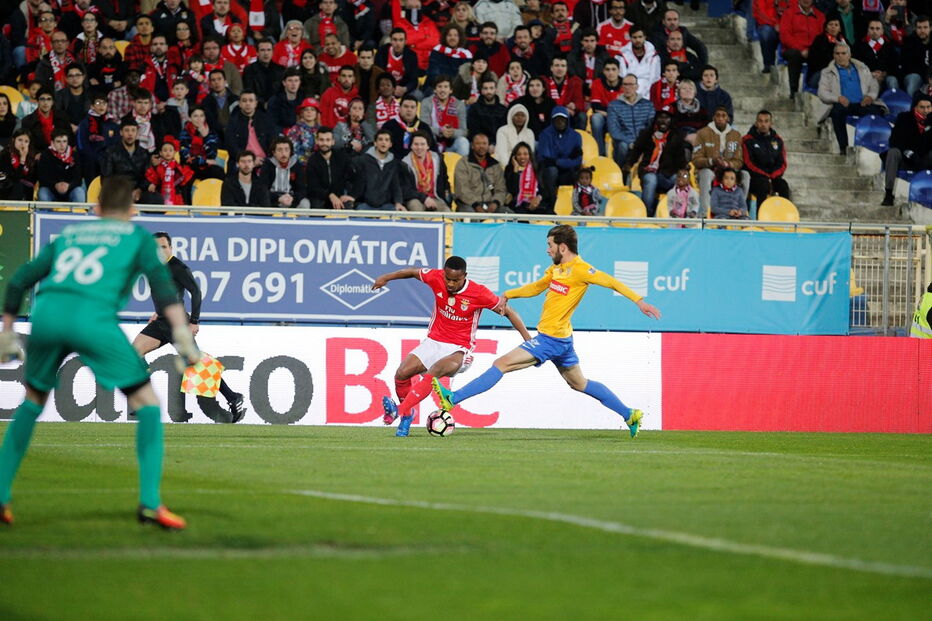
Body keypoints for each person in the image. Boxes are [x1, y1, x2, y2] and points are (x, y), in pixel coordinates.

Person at [0, 176, 199, 530]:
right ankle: (150, 504)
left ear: (96, 208)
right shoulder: (137, 237)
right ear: (133, 210)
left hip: (46, 316)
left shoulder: (70, 235)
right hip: (92, 319)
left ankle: (1, 497)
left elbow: (19, 280)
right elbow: (162, 286)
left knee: (32, 400)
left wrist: (8, 329)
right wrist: (181, 331)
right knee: (148, 403)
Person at [431, 224, 661, 437]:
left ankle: (453, 399)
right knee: (579, 384)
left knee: (500, 364)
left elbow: (611, 281)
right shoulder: (556, 270)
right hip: (562, 339)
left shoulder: (581, 270)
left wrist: (639, 301)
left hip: (551, 339)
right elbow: (536, 287)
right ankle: (630, 414)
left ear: (562, 246)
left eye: (550, 245)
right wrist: (509, 294)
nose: (547, 250)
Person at [376, 256, 532, 436]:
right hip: (434, 342)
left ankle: (399, 410)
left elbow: (509, 312)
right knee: (402, 374)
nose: (450, 284)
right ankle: (407, 416)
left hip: (459, 349)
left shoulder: (479, 293)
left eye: (455, 280)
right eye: (447, 279)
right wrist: (386, 277)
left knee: (434, 371)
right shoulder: (436, 277)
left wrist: (529, 340)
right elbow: (411, 272)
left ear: (465, 276)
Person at [131, 231, 246, 423]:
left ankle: (233, 397)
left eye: (164, 247)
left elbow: (196, 292)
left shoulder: (178, 267)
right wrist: (157, 311)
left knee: (198, 364)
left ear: (171, 248)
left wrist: (195, 321)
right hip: (160, 323)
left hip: (178, 324)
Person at [817, 42, 886, 153]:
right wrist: (838, 98)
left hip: (861, 104)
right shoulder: (827, 72)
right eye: (837, 53)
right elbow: (822, 93)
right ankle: (844, 148)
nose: (840, 56)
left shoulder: (862, 68)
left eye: (843, 53)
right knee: (837, 112)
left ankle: (873, 148)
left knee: (877, 111)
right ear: (833, 55)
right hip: (843, 105)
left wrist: (870, 96)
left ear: (849, 55)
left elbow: (873, 85)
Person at [623, 109, 687, 216]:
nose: (663, 121)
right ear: (655, 120)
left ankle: (677, 214)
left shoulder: (676, 137)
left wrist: (684, 169)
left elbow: (680, 158)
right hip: (648, 171)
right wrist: (629, 164)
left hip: (666, 174)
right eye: (660, 117)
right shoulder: (647, 134)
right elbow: (636, 150)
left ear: (671, 121)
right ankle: (647, 215)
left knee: (679, 182)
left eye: (666, 118)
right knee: (651, 179)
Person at [692, 106, 750, 216]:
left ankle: (741, 211)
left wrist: (728, 164)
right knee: (706, 174)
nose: (720, 118)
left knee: (745, 175)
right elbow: (696, 159)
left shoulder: (736, 135)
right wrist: (711, 161)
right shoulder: (702, 133)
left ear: (728, 118)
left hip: (729, 172)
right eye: (718, 115)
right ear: (713, 117)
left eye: (723, 116)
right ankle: (703, 214)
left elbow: (739, 161)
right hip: (711, 170)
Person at [882, 95, 932, 206]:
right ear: (915, 108)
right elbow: (894, 141)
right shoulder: (904, 118)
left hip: (924, 159)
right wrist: (909, 153)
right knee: (893, 152)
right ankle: (889, 194)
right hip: (906, 158)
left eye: (928, 107)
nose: (926, 111)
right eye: (922, 107)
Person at [536, 106, 583, 213]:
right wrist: (567, 158)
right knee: (551, 171)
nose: (560, 122)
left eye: (563, 119)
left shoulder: (576, 136)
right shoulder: (545, 135)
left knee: (576, 173)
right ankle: (552, 205)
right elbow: (544, 157)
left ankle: (576, 207)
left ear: (567, 120)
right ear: (552, 120)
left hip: (568, 172)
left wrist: (556, 161)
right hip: (549, 172)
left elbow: (577, 160)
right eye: (557, 119)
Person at [742, 109, 791, 206]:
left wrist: (773, 176)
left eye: (766, 121)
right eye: (760, 121)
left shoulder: (778, 140)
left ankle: (784, 217)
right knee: (763, 185)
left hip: (773, 177)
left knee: (783, 185)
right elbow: (748, 163)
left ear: (771, 123)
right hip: (755, 178)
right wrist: (764, 175)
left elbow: (782, 163)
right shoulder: (748, 140)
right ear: (756, 123)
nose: (763, 124)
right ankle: (761, 217)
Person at [780, 0, 825, 99]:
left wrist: (811, 50)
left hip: (813, 50)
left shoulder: (820, 16)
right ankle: (794, 91)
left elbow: (822, 38)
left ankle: (813, 88)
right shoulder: (789, 13)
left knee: (823, 55)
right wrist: (801, 49)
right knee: (795, 55)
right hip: (792, 49)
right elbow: (785, 36)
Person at [351, 129, 406, 211]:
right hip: (365, 205)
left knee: (397, 215)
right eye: (380, 139)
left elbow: (395, 185)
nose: (383, 142)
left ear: (390, 144)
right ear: (375, 143)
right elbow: (355, 182)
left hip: (386, 206)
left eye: (386, 140)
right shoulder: (362, 160)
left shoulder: (393, 163)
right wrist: (352, 197)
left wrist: (398, 202)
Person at [454, 132, 509, 213]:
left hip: (491, 204)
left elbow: (501, 189)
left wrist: (495, 203)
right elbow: (462, 189)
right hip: (469, 204)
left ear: (488, 146)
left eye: (484, 143)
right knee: (471, 217)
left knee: (509, 215)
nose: (481, 146)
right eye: (478, 143)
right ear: (472, 146)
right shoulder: (463, 163)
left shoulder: (495, 165)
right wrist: (476, 205)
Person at [305, 126, 355, 209]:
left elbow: (354, 178)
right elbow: (312, 187)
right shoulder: (312, 161)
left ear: (333, 142)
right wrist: (330, 195)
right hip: (320, 198)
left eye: (328, 140)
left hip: (340, 196)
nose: (324, 143)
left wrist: (352, 196)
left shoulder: (342, 157)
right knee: (316, 204)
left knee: (347, 204)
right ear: (316, 141)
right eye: (321, 140)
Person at [401, 131, 452, 211]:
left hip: (435, 198)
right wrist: (424, 198)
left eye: (422, 144)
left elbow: (445, 181)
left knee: (447, 212)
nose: (419, 147)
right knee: (416, 207)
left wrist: (448, 200)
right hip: (415, 199)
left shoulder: (438, 159)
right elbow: (406, 190)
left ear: (428, 146)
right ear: (411, 146)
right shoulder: (404, 163)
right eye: (416, 144)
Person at [419, 75, 469, 156]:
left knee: (463, 142)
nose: (442, 90)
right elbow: (423, 127)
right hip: (433, 143)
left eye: (446, 87)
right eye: (439, 87)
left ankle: (462, 168)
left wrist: (452, 132)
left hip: (451, 144)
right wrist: (440, 131)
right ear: (435, 89)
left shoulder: (459, 105)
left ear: (451, 90)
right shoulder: (426, 103)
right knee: (427, 138)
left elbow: (464, 131)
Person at [76, 92, 119, 185]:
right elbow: (81, 145)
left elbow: (116, 143)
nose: (101, 106)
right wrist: (94, 156)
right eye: (98, 103)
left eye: (104, 103)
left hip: (107, 161)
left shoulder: (112, 123)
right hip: (90, 162)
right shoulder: (85, 123)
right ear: (92, 106)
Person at [225, 90, 274, 163]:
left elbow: (273, 142)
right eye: (244, 101)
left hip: (265, 160)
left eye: (251, 100)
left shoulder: (265, 119)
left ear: (256, 103)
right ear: (240, 104)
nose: (248, 103)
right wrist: (250, 159)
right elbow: (232, 147)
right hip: (244, 161)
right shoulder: (233, 122)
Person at [382, 95, 437, 160]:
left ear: (416, 109)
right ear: (399, 108)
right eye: (406, 106)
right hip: (394, 164)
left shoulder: (424, 127)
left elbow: (433, 150)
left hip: (419, 165)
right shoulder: (389, 126)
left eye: (412, 107)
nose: (409, 110)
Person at [37, 130, 85, 204]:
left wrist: (69, 185)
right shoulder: (45, 155)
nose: (62, 145)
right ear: (52, 143)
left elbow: (78, 179)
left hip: (70, 190)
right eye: (58, 142)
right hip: (51, 190)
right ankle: (47, 215)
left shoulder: (74, 155)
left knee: (80, 192)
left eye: (64, 141)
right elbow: (42, 178)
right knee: (42, 193)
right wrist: (55, 185)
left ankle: (76, 215)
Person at [179, 106, 225, 181]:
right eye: (195, 116)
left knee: (219, 172)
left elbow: (212, 155)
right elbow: (186, 157)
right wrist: (205, 161)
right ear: (190, 118)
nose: (199, 119)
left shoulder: (211, 133)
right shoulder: (184, 134)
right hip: (191, 166)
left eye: (201, 116)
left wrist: (206, 137)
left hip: (207, 166)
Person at [261, 136, 308, 209]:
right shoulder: (267, 165)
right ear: (274, 152)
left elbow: (302, 189)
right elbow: (262, 188)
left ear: (290, 151)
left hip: (291, 198)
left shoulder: (296, 165)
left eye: (286, 150)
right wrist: (278, 198)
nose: (284, 153)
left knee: (305, 203)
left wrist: (293, 198)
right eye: (280, 150)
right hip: (272, 198)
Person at [145, 137, 194, 206]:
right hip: (161, 196)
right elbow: (155, 178)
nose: (168, 152)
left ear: (174, 152)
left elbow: (183, 183)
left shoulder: (178, 167)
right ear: (160, 153)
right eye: (165, 150)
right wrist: (153, 184)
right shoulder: (158, 167)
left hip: (176, 196)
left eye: (170, 150)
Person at [618, 27, 660, 100]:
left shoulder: (653, 53)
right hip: (629, 91)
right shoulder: (622, 54)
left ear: (645, 37)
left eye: (640, 37)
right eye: (634, 37)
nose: (638, 40)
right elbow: (622, 76)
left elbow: (655, 77)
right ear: (630, 38)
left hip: (649, 92)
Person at [467, 77, 508, 149]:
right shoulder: (474, 108)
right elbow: (474, 131)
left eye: (491, 88)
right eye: (485, 88)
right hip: (480, 144)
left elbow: (504, 131)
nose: (489, 91)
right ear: (481, 91)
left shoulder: (503, 109)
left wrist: (495, 145)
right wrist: (486, 144)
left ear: (495, 89)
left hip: (499, 145)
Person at [504, 141, 543, 213]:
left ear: (530, 155)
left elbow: (544, 190)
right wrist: (515, 169)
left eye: (525, 154)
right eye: (519, 154)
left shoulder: (537, 168)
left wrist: (538, 198)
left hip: (536, 204)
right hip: (518, 205)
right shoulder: (509, 169)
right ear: (514, 156)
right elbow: (513, 191)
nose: (522, 157)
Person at [0, 130, 39, 201]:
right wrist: (22, 160)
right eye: (20, 140)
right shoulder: (5, 155)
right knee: (18, 185)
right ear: (13, 140)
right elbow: (15, 179)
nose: (22, 144)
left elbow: (33, 179)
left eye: (26, 141)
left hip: (26, 188)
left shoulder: (33, 156)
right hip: (7, 187)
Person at [244, 40, 285, 105]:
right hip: (256, 106)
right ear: (257, 53)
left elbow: (283, 92)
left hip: (277, 105)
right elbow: (249, 91)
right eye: (262, 50)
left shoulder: (281, 70)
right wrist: (262, 103)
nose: (266, 53)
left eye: (269, 50)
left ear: (272, 52)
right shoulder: (249, 70)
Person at [287, 98, 322, 165]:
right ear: (302, 113)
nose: (309, 112)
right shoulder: (295, 129)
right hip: (301, 166)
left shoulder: (321, 129)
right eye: (306, 110)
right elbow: (292, 151)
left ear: (317, 113)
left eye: (312, 110)